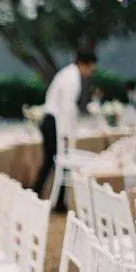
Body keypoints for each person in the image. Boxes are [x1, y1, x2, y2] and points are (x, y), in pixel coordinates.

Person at [33, 50, 98, 212]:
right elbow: (66, 109)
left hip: (51, 120)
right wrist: (67, 135)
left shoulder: (67, 74)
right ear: (84, 64)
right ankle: (55, 200)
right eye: (91, 69)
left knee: (51, 161)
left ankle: (41, 196)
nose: (90, 73)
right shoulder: (72, 78)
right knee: (61, 161)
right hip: (54, 122)